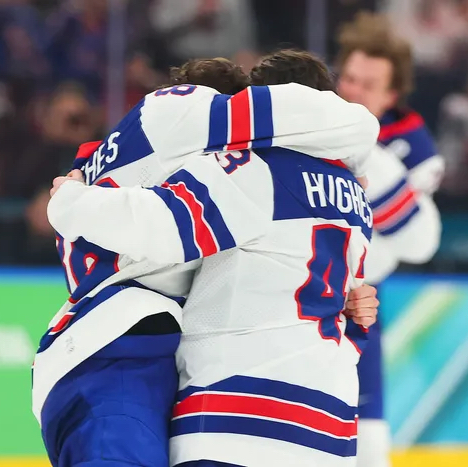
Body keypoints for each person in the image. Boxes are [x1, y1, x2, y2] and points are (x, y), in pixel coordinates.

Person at [37, 58, 378, 467]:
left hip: (235, 410)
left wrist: (68, 200)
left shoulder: (252, 167)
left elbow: (164, 225)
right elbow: (354, 313)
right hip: (332, 424)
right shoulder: (358, 201)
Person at [335, 13, 444, 466]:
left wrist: (373, 164)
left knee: (369, 445)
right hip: (292, 300)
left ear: (391, 96)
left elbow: (416, 244)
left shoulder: (416, 152)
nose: (352, 91)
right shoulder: (306, 116)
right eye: (348, 78)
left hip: (358, 307)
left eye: (368, 85)